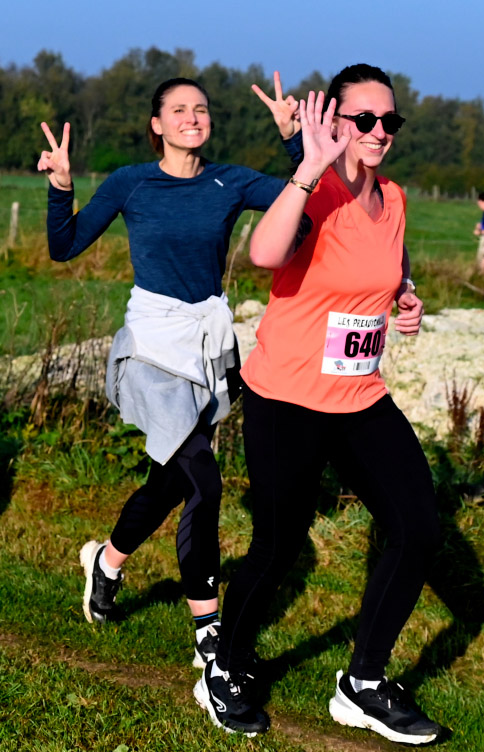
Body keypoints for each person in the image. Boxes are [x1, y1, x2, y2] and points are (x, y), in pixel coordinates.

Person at [195, 65, 442, 744]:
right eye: (364, 119)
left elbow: (387, 265)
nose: (379, 131)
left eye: (389, 121)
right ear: (335, 121)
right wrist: (306, 169)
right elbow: (264, 252)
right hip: (288, 397)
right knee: (278, 545)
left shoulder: (393, 198)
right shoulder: (317, 190)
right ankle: (225, 667)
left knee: (418, 528)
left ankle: (363, 684)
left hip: (360, 396)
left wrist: (405, 295)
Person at [37, 77, 293, 669]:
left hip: (204, 348)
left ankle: (106, 561)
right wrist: (61, 188)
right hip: (152, 350)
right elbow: (63, 246)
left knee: (173, 481)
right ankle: (209, 630)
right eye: (178, 110)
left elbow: (307, 199)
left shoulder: (230, 181)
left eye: (200, 109)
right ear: (157, 124)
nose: (191, 118)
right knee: (204, 482)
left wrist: (295, 141)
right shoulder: (131, 182)